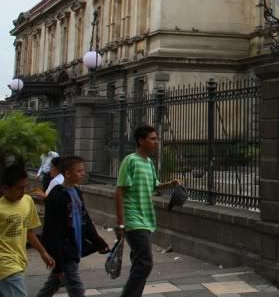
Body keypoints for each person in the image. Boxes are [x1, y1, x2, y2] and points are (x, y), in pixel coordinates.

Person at [114, 126, 181, 297]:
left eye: (156, 138)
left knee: (139, 262)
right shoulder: (130, 161)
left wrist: (171, 184)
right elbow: (119, 191)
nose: (156, 142)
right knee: (145, 263)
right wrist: (120, 223)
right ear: (141, 141)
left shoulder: (149, 163)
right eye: (152, 139)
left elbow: (155, 185)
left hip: (146, 218)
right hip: (133, 218)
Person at [38, 156, 110, 297]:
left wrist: (97, 241)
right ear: (68, 173)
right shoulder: (56, 196)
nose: (83, 173)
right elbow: (52, 230)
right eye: (79, 171)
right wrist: (57, 261)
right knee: (77, 289)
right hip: (64, 251)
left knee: (53, 284)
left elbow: (85, 219)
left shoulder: (77, 192)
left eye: (83, 170)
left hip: (74, 247)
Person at [0, 164, 54, 297]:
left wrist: (43, 252)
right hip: (6, 265)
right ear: (5, 188)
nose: (23, 192)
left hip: (20, 260)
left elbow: (29, 232)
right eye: (19, 188)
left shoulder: (27, 201)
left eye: (25, 187)